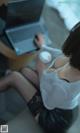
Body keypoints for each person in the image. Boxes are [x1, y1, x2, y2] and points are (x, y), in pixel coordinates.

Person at [0, 22, 80, 133]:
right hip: (60, 99)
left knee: (15, 77)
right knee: (25, 71)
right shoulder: (75, 62)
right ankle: (7, 80)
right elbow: (59, 54)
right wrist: (43, 47)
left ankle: (7, 80)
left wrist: (41, 68)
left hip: (53, 117)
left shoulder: (64, 85)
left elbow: (47, 103)